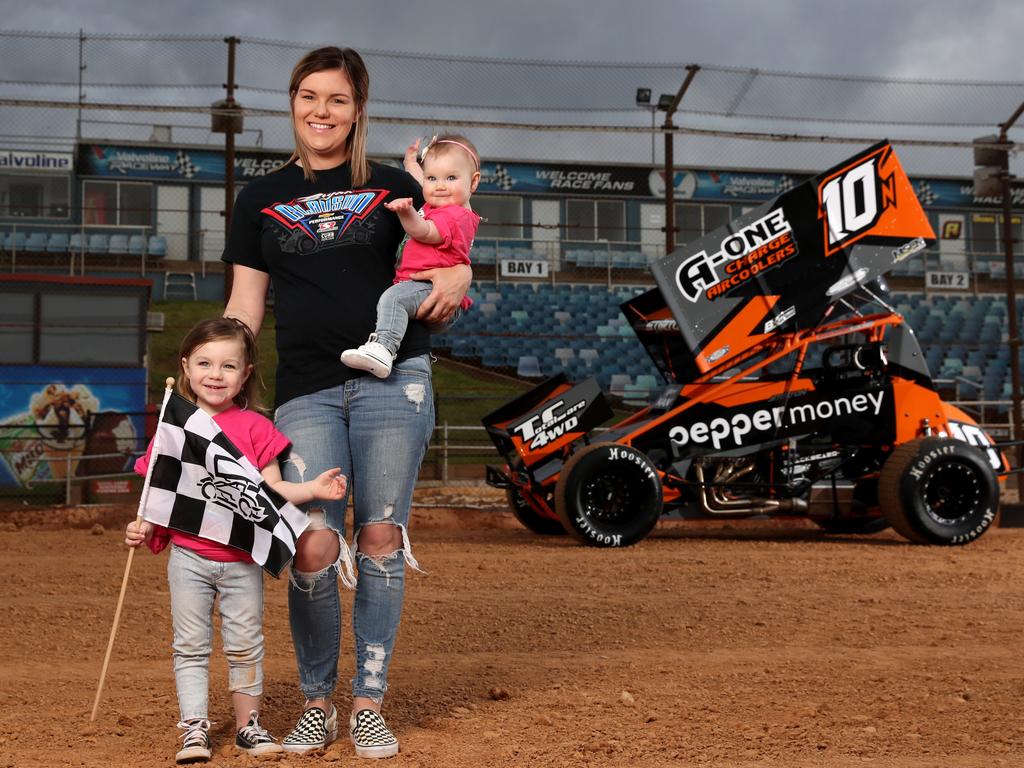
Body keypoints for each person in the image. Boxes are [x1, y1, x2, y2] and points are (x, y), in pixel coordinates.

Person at [222, 46, 471, 759]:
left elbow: (450, 242)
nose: (320, 111)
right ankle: (314, 703)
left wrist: (461, 273)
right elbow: (246, 303)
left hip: (397, 381)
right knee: (312, 542)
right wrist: (217, 378)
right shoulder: (258, 197)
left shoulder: (396, 184)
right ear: (293, 102)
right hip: (304, 386)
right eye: (309, 96)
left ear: (357, 108)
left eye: (336, 99)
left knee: (381, 537)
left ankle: (367, 702)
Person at [125, 317, 347, 764]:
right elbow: (159, 488)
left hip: (242, 557)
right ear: (185, 367)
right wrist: (144, 525)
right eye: (204, 363)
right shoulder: (175, 428)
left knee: (245, 642)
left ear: (245, 374)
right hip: (188, 556)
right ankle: (194, 728)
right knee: (189, 645)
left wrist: (312, 491)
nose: (215, 374)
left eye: (228, 366)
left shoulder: (257, 428)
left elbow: (272, 491)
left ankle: (249, 725)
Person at [340, 133, 481, 378]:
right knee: (397, 298)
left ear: (473, 182)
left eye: (451, 177)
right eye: (432, 178)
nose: (440, 185)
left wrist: (406, 213)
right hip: (422, 288)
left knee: (393, 299)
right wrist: (411, 164)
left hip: (433, 291)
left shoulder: (457, 216)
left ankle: (383, 349)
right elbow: (422, 182)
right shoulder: (441, 202)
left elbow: (425, 231)